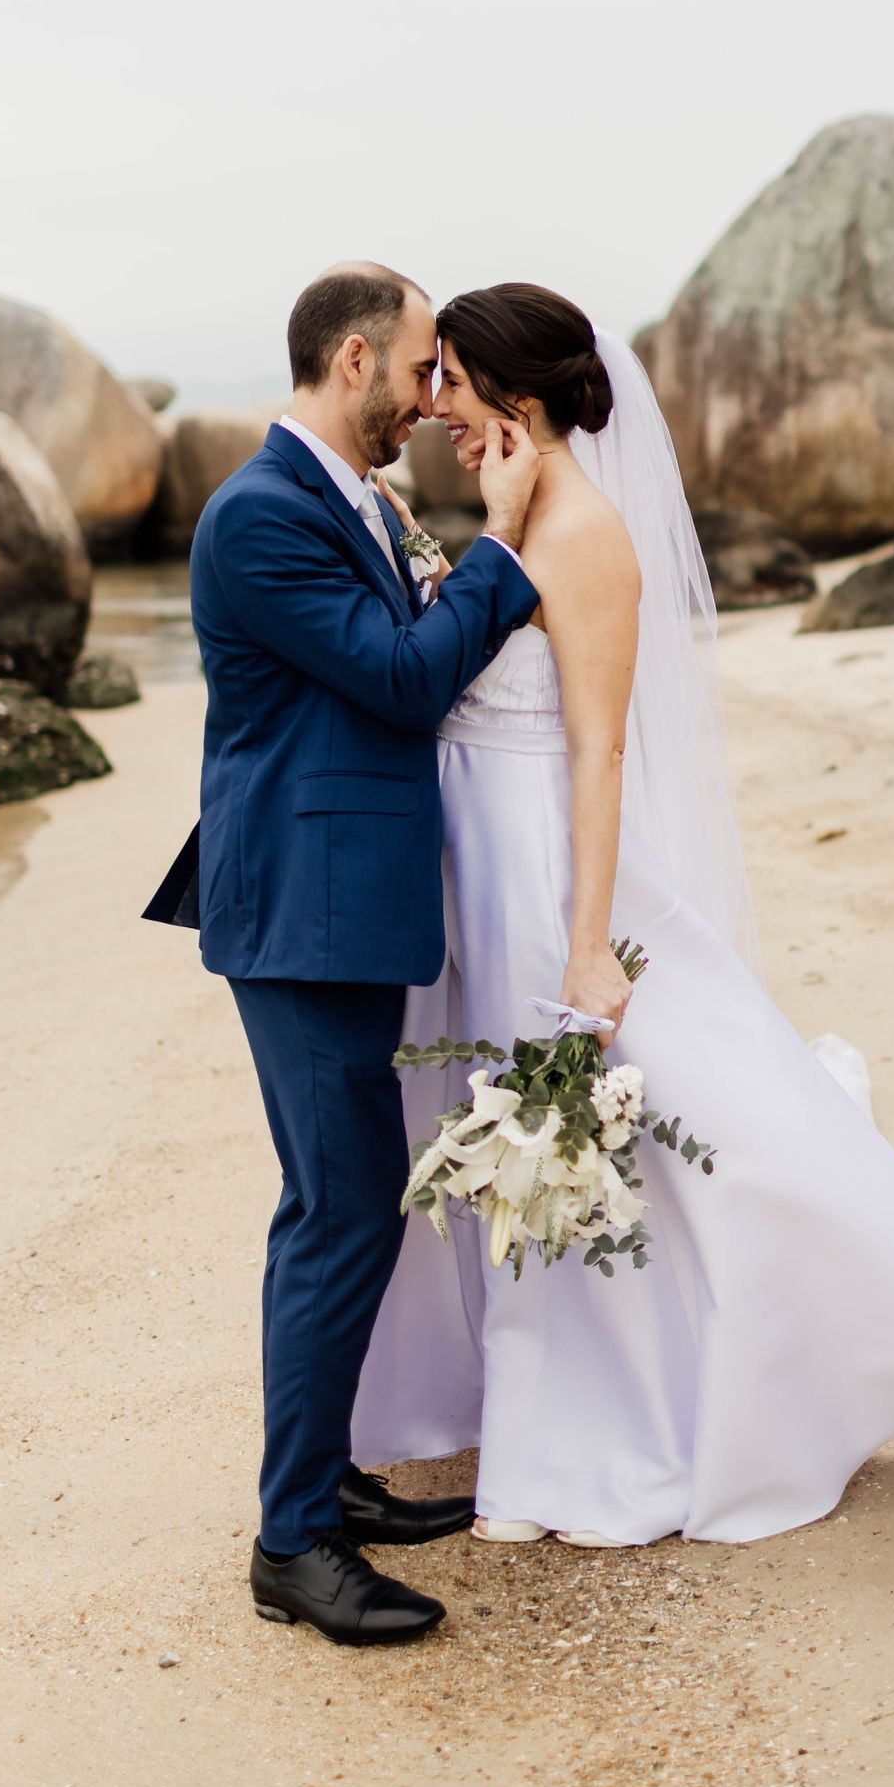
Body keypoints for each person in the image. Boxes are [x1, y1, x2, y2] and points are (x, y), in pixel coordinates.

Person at [352, 281, 894, 1547]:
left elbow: (597, 753)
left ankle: (628, 1421)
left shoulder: (583, 535)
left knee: (608, 1132)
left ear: (515, 393)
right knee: (521, 1132)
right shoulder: (514, 518)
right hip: (480, 873)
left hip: (547, 873)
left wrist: (587, 942)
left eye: (452, 384)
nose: (437, 411)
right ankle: (526, 1402)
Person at [143, 263, 541, 1642]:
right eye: (422, 369)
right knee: (339, 1206)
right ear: (356, 359)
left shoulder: (348, 496)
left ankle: (325, 1480)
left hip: (335, 900)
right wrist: (501, 545)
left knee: (342, 1200)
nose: (432, 397)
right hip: (300, 914)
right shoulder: (261, 514)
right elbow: (403, 680)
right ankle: (292, 1542)